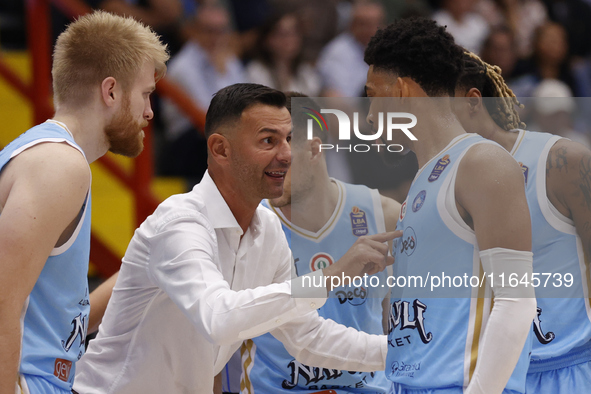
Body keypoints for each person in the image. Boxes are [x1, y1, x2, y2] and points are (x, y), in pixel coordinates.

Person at [73, 83, 398, 393]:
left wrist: (408, 350)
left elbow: (308, 337)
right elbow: (218, 318)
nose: (286, 154)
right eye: (268, 141)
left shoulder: (268, 229)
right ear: (220, 149)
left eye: (288, 139)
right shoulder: (181, 222)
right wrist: (330, 276)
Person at [363, 17, 537, 393]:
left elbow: (517, 302)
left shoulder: (480, 163)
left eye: (373, 94)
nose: (370, 114)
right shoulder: (422, 182)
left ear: (401, 92)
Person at [0, 10, 169, 394]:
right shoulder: (60, 165)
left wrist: (143, 271)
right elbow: (2, 300)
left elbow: (54, 320)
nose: (149, 112)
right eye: (145, 94)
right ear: (110, 91)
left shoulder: (50, 156)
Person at [240, 92, 400, 393]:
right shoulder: (247, 225)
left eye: (282, 160)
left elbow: (403, 318)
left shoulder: (384, 214)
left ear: (314, 149)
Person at [454, 51, 591, 393]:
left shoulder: (561, 161)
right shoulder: (433, 183)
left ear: (472, 101)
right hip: (484, 378)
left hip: (568, 368)